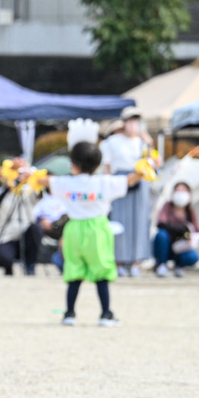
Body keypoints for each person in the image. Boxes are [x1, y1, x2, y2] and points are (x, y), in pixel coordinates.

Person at [51, 139, 139, 326]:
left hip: (74, 228)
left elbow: (44, 180)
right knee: (102, 270)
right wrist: (146, 169)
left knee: (74, 269)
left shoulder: (66, 183)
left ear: (73, 164)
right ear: (98, 165)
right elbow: (130, 179)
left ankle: (69, 314)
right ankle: (105, 314)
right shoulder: (104, 182)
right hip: (97, 228)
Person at [101, 108, 154, 277]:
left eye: (135, 121)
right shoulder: (112, 142)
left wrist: (149, 143)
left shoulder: (141, 142)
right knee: (119, 220)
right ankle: (119, 261)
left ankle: (137, 261)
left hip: (139, 180)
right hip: (120, 181)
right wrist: (106, 187)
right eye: (130, 121)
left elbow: (150, 162)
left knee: (139, 221)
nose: (133, 125)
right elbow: (107, 166)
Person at [153, 182, 199, 277]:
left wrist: (191, 238)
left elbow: (197, 230)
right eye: (178, 191)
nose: (181, 194)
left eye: (183, 191)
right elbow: (160, 223)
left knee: (193, 257)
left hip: (180, 246)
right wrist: (179, 230)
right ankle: (161, 264)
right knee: (161, 235)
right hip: (166, 244)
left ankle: (179, 266)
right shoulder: (167, 206)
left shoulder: (190, 211)